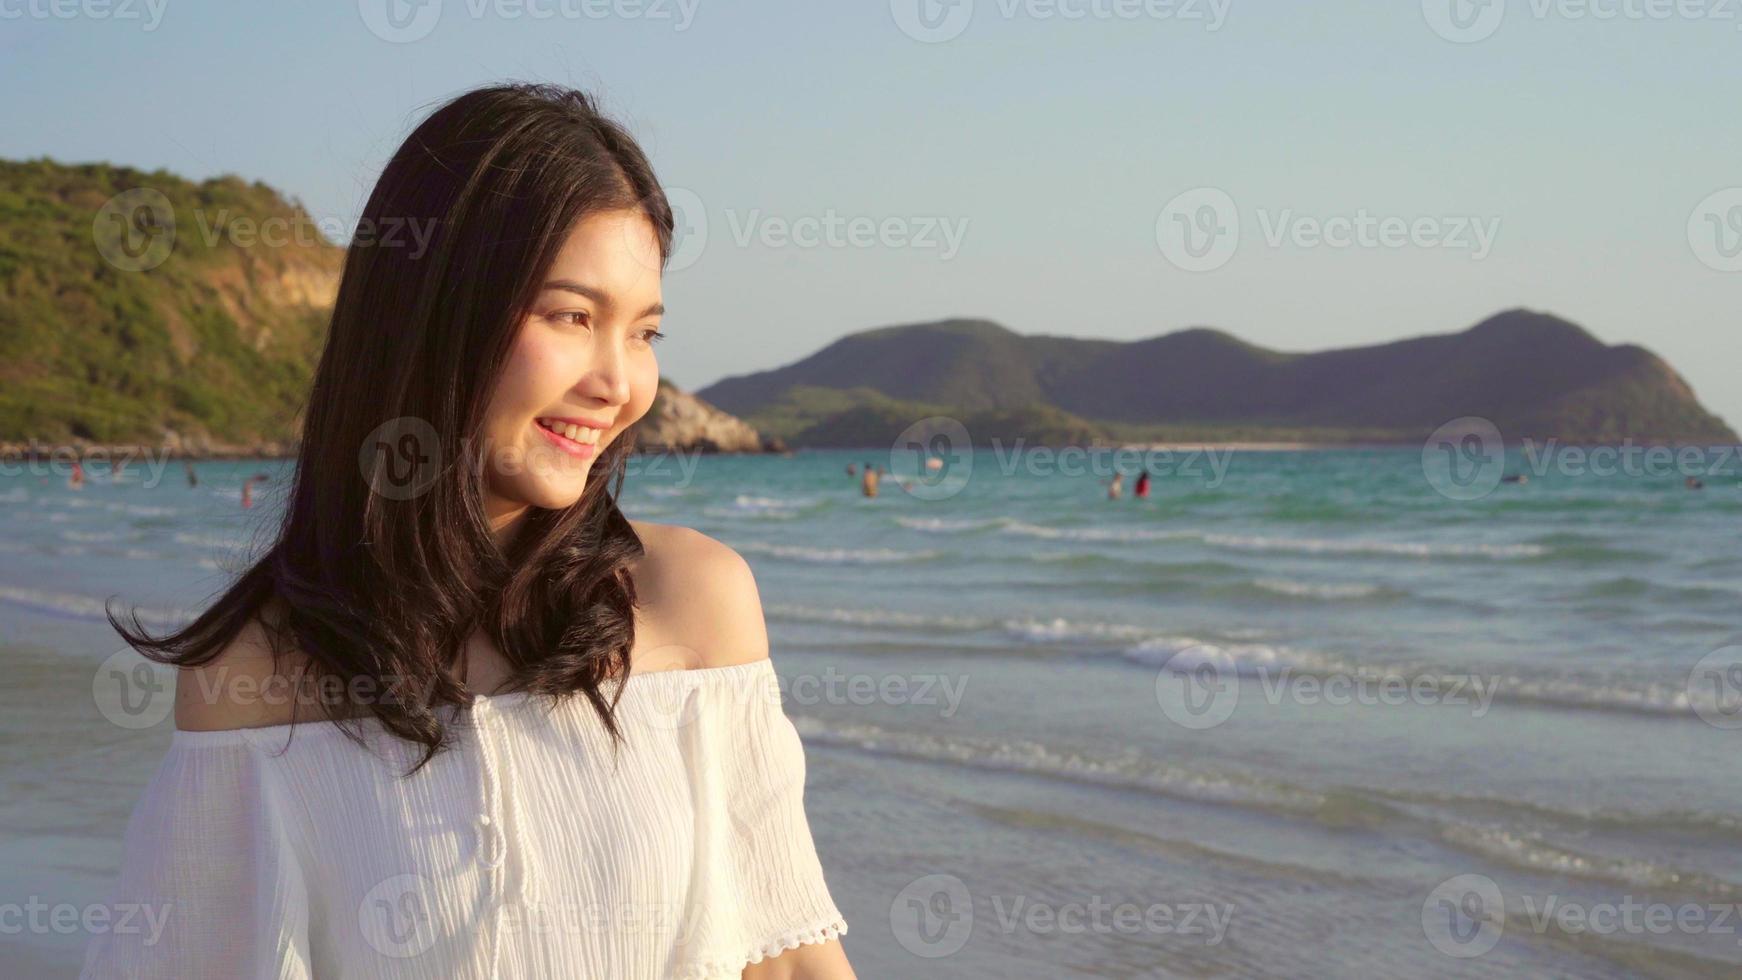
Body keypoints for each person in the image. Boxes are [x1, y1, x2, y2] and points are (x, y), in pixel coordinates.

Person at [82, 84, 854, 980]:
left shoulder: (691, 602)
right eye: (573, 316)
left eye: (643, 331)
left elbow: (787, 957)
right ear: (435, 314)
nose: (621, 383)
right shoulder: (257, 676)